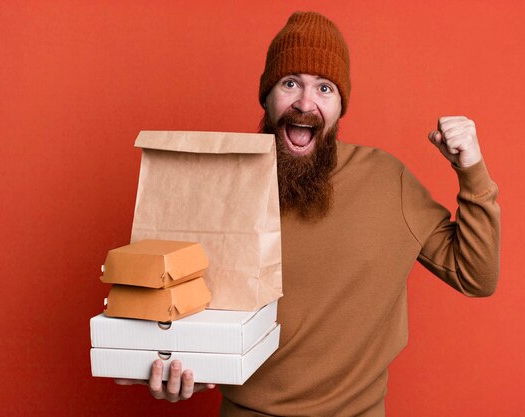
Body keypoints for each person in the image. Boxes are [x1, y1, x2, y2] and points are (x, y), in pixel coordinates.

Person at [116, 11, 500, 416]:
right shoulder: (221, 182)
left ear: (340, 107)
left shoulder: (388, 181)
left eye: (325, 88)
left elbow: (476, 274)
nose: (305, 102)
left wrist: (471, 170)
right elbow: (179, 306)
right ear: (266, 97)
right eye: (290, 83)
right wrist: (170, 366)